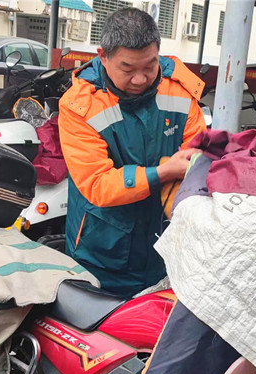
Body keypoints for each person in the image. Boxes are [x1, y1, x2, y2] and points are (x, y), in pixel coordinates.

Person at [58, 7, 206, 298]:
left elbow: (200, 154)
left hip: (165, 248)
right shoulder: (79, 105)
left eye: (149, 66)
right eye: (128, 69)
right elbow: (97, 185)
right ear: (103, 56)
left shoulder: (180, 90)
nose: (140, 79)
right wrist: (162, 173)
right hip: (101, 254)